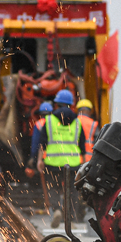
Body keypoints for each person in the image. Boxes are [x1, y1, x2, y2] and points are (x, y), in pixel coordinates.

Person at [36, 90, 85, 228]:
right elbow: (82, 146)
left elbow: (42, 143)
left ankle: (57, 210)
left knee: (54, 189)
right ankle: (71, 220)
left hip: (53, 163)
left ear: (56, 104)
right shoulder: (77, 122)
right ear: (71, 105)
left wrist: (40, 160)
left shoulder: (49, 120)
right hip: (73, 163)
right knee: (72, 191)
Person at [76, 99, 99, 163]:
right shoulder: (93, 124)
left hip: (74, 158)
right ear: (90, 111)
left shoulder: (74, 122)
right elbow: (97, 142)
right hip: (88, 159)